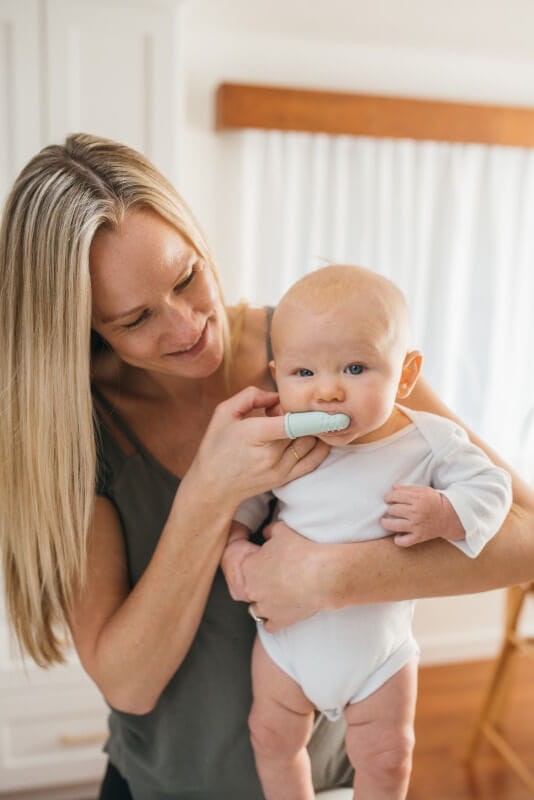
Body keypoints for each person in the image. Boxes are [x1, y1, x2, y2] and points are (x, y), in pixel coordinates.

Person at [0, 134, 533, 800]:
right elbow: (127, 685)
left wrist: (329, 577)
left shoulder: (331, 348)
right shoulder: (77, 432)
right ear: (85, 329)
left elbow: (526, 537)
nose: (187, 327)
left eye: (187, 277)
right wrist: (208, 492)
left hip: (333, 781)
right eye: (136, 319)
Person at [222, 265, 512, 800]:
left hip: (379, 654)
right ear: (277, 377)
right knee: (271, 736)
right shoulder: (283, 439)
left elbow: (494, 488)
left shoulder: (430, 440)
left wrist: (446, 512)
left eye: (355, 368)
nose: (327, 392)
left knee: (387, 756)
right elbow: (248, 495)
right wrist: (236, 544)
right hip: (286, 646)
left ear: (406, 373)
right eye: (303, 373)